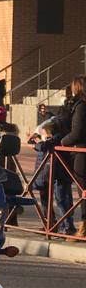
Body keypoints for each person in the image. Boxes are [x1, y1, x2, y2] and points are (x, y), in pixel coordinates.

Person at [30, 122, 75, 235]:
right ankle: (56, 225)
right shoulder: (56, 138)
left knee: (61, 200)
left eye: (46, 135)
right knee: (56, 199)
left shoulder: (58, 137)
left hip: (60, 175)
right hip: (51, 174)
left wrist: (39, 143)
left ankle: (67, 228)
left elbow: (44, 146)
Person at [59, 75, 86, 238]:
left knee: (83, 191)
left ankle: (84, 228)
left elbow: (76, 132)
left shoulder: (81, 106)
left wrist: (63, 141)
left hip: (81, 153)